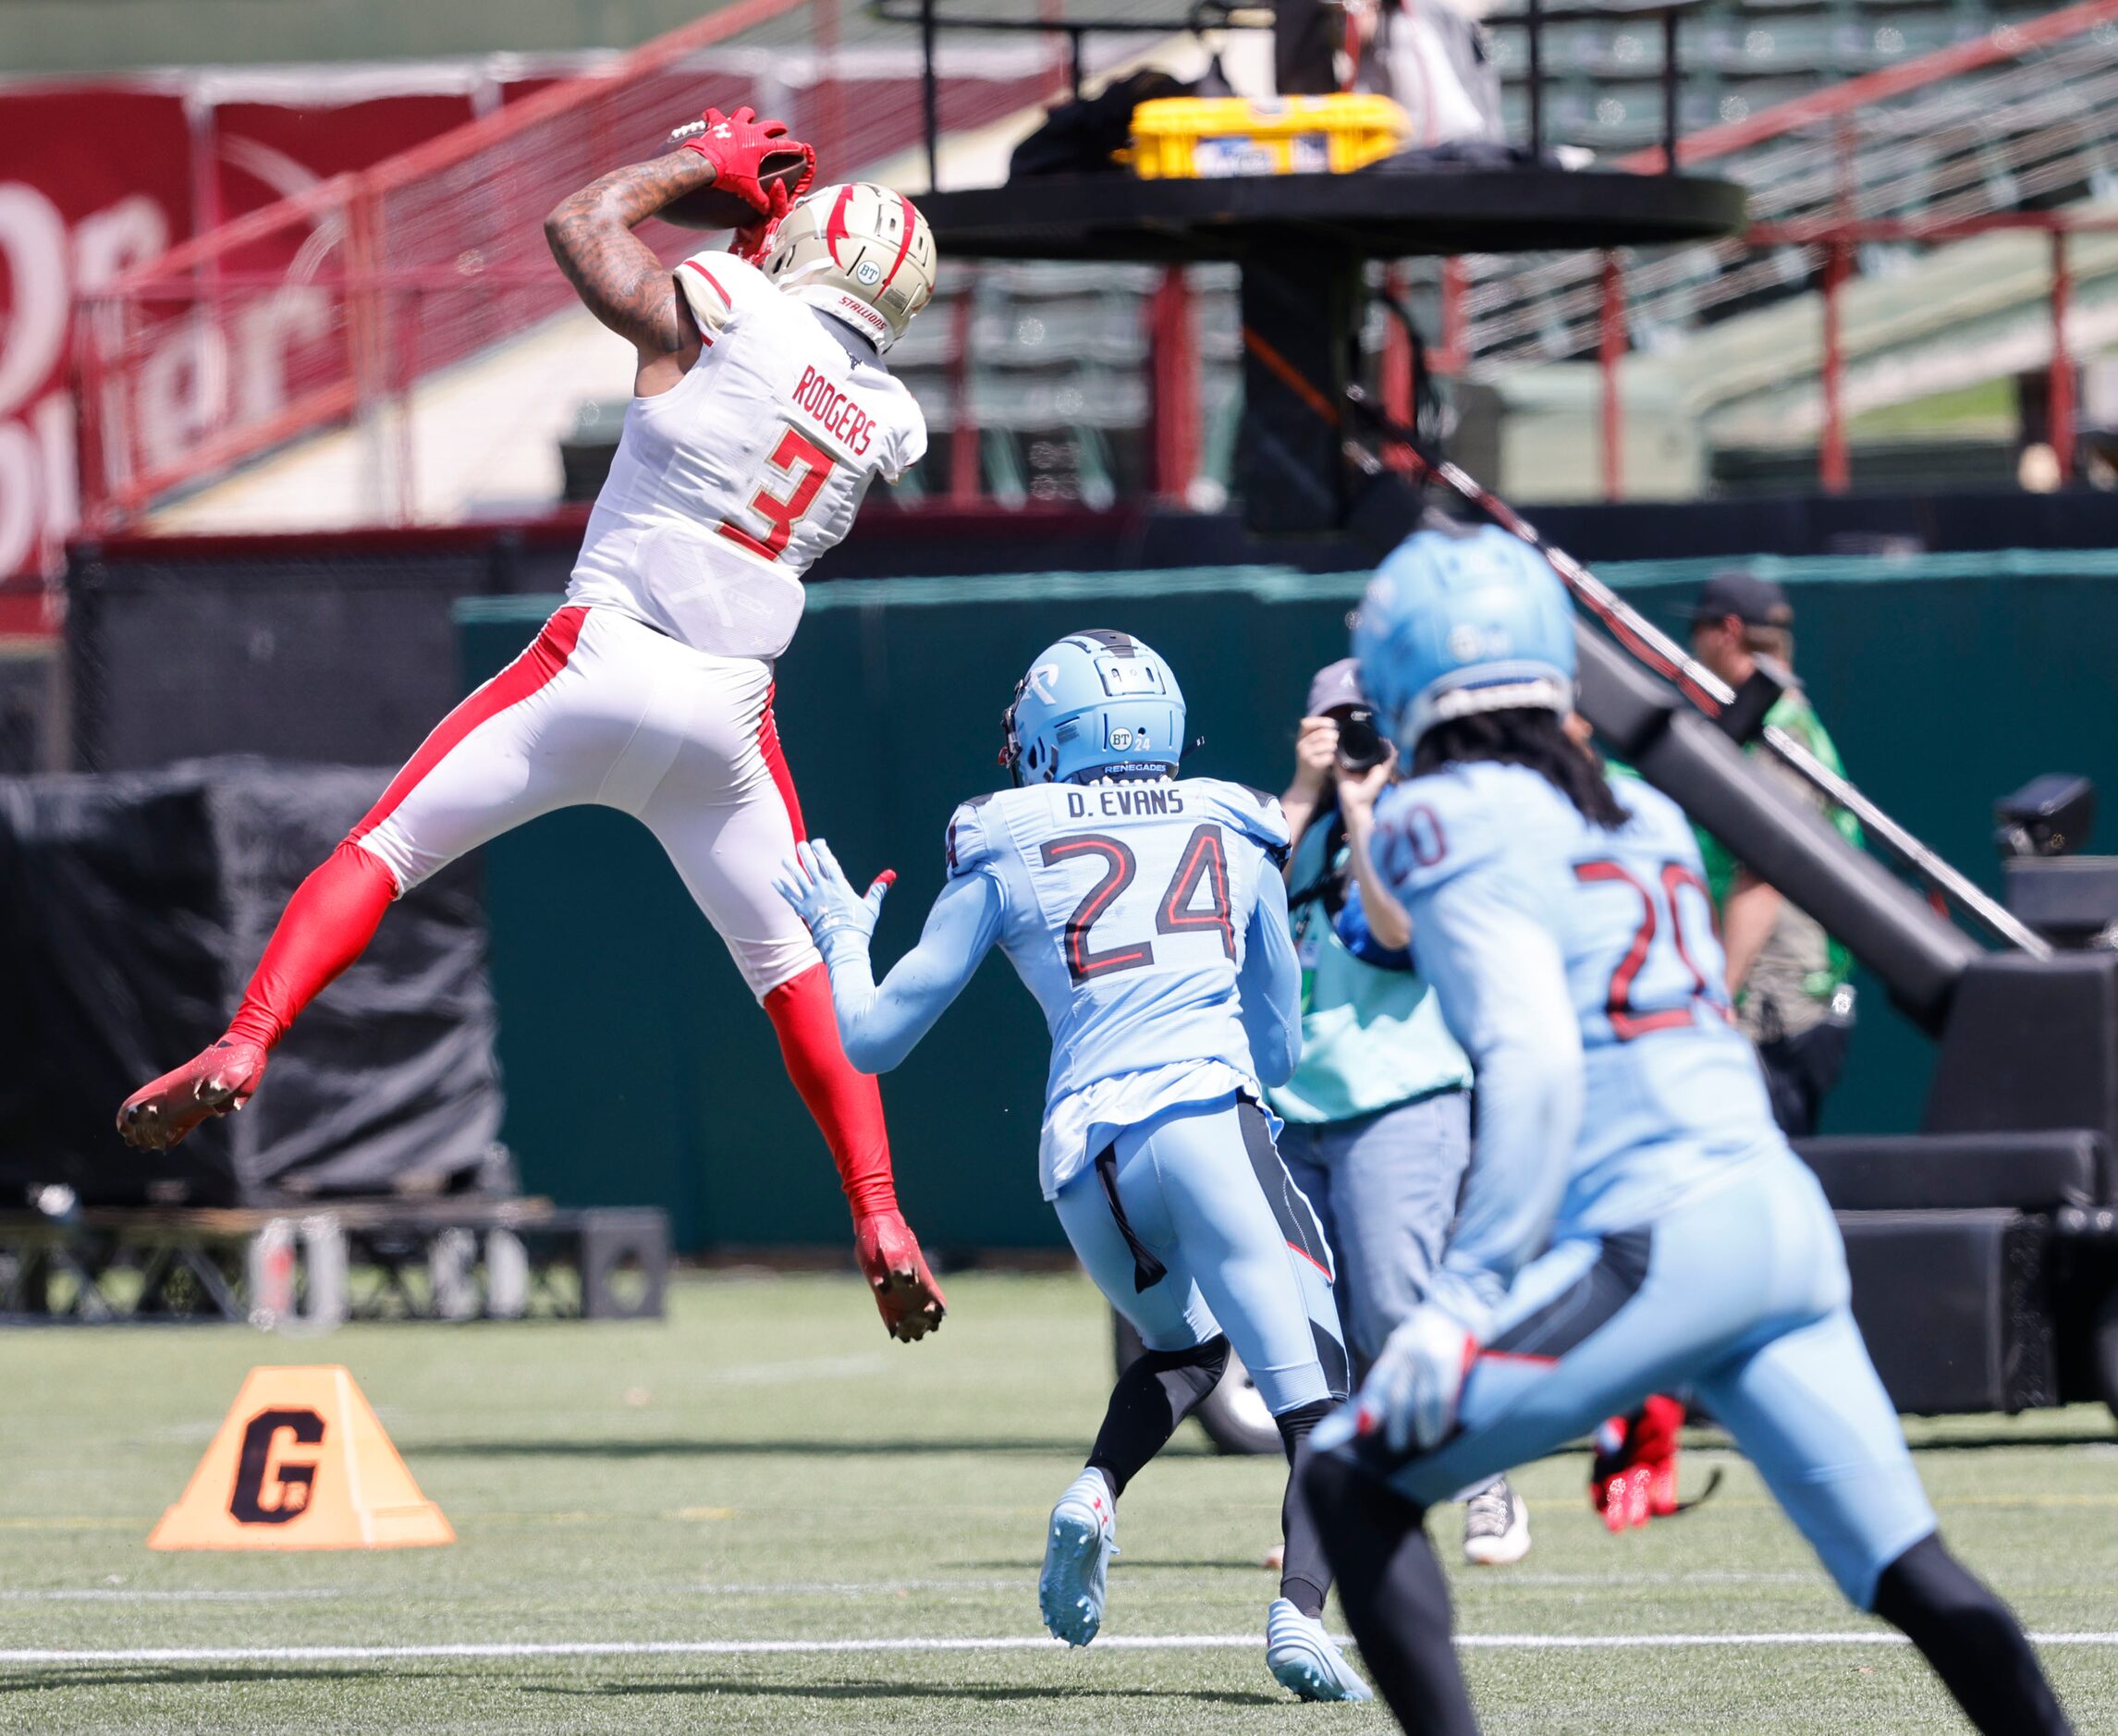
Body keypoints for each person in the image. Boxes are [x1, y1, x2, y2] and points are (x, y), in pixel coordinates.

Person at [116, 110, 949, 1344]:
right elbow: (789, 362)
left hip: (595, 655)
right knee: (794, 974)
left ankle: (245, 1040)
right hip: (723, 715)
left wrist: (691, 171)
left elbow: (580, 226)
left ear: (792, 254)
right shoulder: (881, 416)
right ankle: (878, 1209)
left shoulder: (725, 299)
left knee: (380, 851)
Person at [1298, 520, 2073, 1736]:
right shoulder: (1638, 813)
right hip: (1772, 1216)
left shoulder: (1435, 816)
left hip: (1655, 1239)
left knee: (1346, 1476)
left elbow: (1536, 1056)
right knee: (1908, 1569)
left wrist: (1459, 1298)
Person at [775, 630, 1370, 1702]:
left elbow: (868, 1039)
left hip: (1079, 1156)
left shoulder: (1004, 834)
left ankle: (1097, 1490)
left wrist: (836, 935)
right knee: (1321, 1402)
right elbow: (1278, 1052)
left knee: (1183, 1345)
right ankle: (1299, 1617)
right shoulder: (1234, 824)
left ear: (1052, 735)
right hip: (1202, 1115)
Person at [1275, 657, 1527, 1566]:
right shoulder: (1289, 824)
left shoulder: (1421, 827)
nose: (1349, 740)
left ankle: (1485, 1482)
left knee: (1396, 1309)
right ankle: (1337, 1512)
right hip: (1296, 1101)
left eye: (1362, 722)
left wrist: (1360, 810)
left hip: (1400, 1096)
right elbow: (1238, 905)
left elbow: (1394, 931)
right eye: (1331, 721)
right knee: (1313, 1330)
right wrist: (1306, 791)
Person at [1689, 570, 1860, 1139]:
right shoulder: (1784, 724)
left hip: (1775, 1011)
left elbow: (1761, 881)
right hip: (1788, 1005)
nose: (1692, 640)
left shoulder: (1777, 736)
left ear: (1728, 631)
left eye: (1699, 626)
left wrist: (1717, 1001)